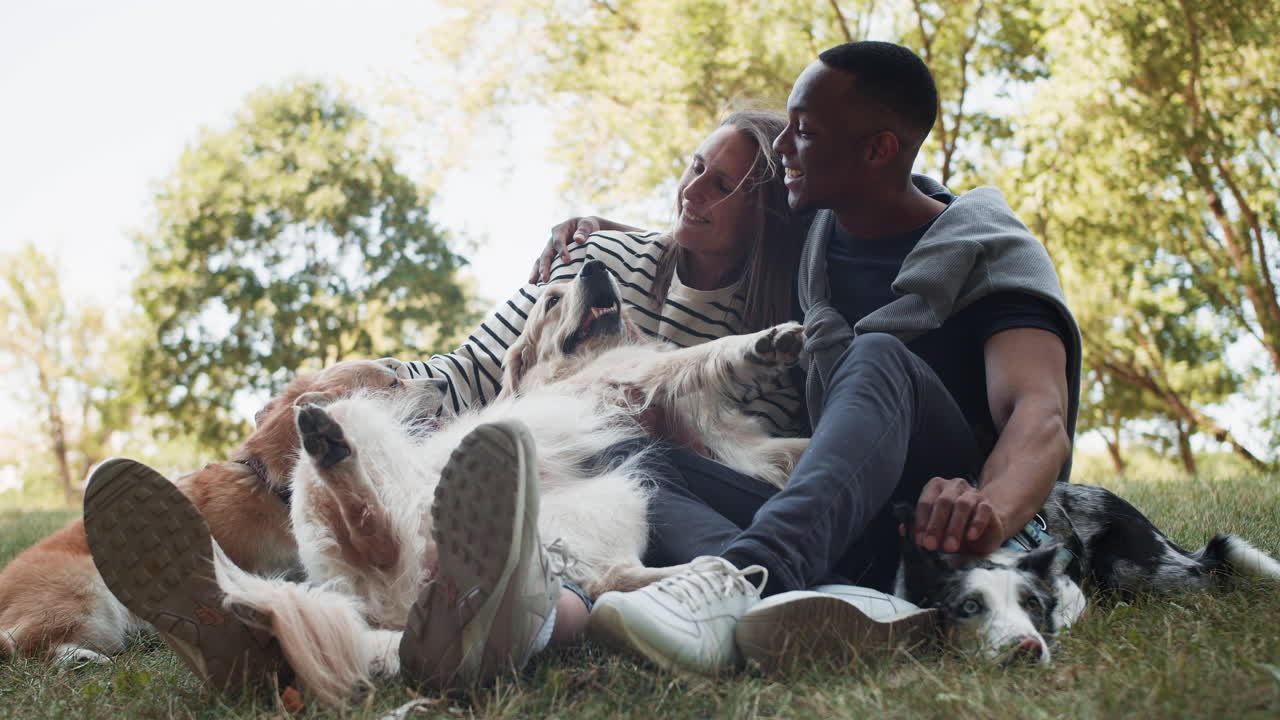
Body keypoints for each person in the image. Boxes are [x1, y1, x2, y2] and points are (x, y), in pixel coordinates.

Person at [81, 110, 814, 693]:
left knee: (602, 498)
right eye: (694, 169)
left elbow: (750, 458)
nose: (694, 191)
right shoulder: (604, 257)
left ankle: (277, 625)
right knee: (342, 430)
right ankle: (284, 588)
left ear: (766, 212)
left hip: (577, 487)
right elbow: (469, 367)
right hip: (487, 463)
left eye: (725, 185)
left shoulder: (771, 321)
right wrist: (358, 376)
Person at [533, 40, 1082, 674]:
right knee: (629, 454)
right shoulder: (815, 240)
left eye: (805, 133)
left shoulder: (988, 251)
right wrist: (599, 227)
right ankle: (810, 598)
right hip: (840, 517)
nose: (782, 148)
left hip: (947, 520)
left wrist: (990, 509)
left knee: (876, 355)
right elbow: (717, 225)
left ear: (877, 149)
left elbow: (1038, 413)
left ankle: (745, 579)